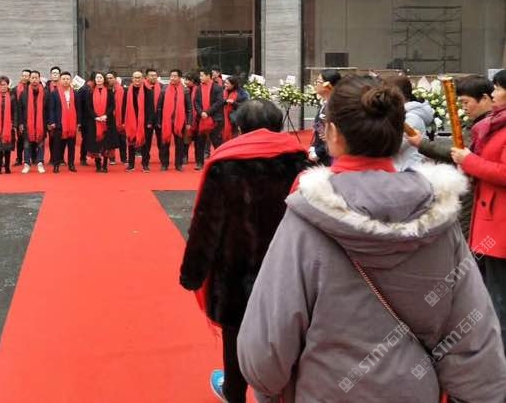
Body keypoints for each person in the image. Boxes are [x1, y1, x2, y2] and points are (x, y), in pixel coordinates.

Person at [237, 76, 506, 401]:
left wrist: (268, 389)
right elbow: (473, 334)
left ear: (332, 133)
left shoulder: (307, 217)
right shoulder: (438, 219)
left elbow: (268, 340)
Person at [180, 99, 308, 403]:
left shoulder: (225, 165)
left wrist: (192, 273)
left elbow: (207, 224)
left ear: (240, 128)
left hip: (236, 275)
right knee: (287, 339)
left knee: (235, 340)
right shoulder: (301, 163)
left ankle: (234, 392)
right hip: (287, 273)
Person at [450, 69, 506, 352]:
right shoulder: (494, 125)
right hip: (490, 219)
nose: (494, 93)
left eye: (498, 88)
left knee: (499, 296)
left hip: (500, 224)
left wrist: (469, 161)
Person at [407, 75, 494, 239]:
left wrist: (422, 143)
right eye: (461, 103)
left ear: (485, 98)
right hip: (471, 190)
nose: (463, 107)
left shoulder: (489, 125)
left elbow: (460, 151)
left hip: (478, 193)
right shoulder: (478, 123)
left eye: (466, 102)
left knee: (471, 238)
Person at [383, 74, 433, 171]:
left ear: (399, 95)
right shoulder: (398, 113)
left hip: (409, 170)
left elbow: (392, 148)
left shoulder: (412, 118)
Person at [83, 72, 118, 173]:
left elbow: (112, 106)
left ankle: (105, 165)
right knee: (96, 144)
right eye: (97, 77)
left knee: (106, 144)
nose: (98, 79)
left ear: (104, 79)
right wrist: (96, 117)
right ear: (94, 80)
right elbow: (88, 107)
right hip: (94, 122)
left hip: (107, 121)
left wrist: (106, 115)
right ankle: (98, 165)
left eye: (100, 77)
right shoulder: (90, 92)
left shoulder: (109, 91)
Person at [158, 69, 193, 171]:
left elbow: (189, 108)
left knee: (180, 144)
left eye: (175, 76)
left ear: (180, 78)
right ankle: (164, 164)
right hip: (166, 121)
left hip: (180, 122)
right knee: (165, 144)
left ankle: (179, 164)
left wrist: (189, 122)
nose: (172, 78)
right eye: (171, 76)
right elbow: (159, 107)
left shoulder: (185, 90)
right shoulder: (164, 89)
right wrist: (159, 121)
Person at [17, 69, 48, 174]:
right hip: (27, 124)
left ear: (39, 79)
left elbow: (48, 109)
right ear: (29, 79)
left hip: (41, 123)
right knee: (26, 145)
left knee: (41, 144)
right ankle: (26, 163)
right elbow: (20, 110)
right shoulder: (24, 93)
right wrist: (20, 123)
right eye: (32, 78)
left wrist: (48, 123)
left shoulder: (45, 93)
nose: (34, 80)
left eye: (36, 78)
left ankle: (40, 163)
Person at [193, 68, 224, 170]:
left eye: (202, 75)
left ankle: (220, 163)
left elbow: (219, 102)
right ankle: (199, 163)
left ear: (208, 76)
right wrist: (201, 112)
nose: (200, 77)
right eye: (200, 76)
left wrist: (207, 112)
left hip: (214, 118)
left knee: (216, 142)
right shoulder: (198, 88)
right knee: (200, 142)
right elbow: (196, 102)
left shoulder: (217, 88)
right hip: (202, 119)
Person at [308, 69, 341, 165]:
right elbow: (320, 129)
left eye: (319, 82)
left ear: (328, 85)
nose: (316, 84)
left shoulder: (335, 106)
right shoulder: (324, 103)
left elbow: (331, 136)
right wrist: (314, 146)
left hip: (330, 157)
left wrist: (318, 153)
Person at [48, 71, 79, 173]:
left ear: (70, 80)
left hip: (72, 124)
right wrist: (52, 121)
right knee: (57, 146)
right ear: (60, 80)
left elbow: (78, 109)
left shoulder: (75, 93)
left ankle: (71, 164)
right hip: (59, 123)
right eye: (64, 79)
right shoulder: (55, 93)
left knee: (71, 146)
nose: (66, 81)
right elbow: (52, 109)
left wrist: (78, 122)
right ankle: (56, 165)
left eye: (67, 79)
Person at [123, 71, 153, 172]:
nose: (137, 79)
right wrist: (123, 121)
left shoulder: (148, 90)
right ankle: (131, 164)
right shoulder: (127, 90)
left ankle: (145, 164)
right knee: (131, 142)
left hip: (144, 121)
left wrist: (150, 121)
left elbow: (151, 107)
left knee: (145, 144)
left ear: (142, 78)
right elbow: (124, 106)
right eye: (135, 77)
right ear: (132, 79)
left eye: (139, 77)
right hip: (131, 120)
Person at [0, 75, 16, 175]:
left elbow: (15, 112)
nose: (3, 87)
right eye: (1, 85)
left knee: (7, 148)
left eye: (4, 85)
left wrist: (14, 123)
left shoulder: (12, 97)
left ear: (8, 85)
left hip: (8, 126)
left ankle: (7, 167)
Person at [106, 71, 127, 164]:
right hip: (109, 118)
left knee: (122, 139)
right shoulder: (105, 90)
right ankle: (111, 158)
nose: (109, 80)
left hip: (120, 118)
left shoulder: (122, 90)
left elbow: (125, 106)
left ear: (115, 78)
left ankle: (124, 158)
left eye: (111, 78)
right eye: (107, 78)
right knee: (110, 139)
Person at [221, 75, 248, 143]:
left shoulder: (241, 94)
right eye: (225, 83)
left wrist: (234, 103)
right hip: (222, 118)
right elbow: (217, 101)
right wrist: (225, 101)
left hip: (234, 119)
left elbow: (244, 105)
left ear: (233, 85)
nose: (225, 85)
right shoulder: (222, 91)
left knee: (234, 137)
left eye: (227, 83)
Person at [144, 68, 162, 167]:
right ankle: (146, 160)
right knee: (147, 141)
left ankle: (163, 160)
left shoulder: (162, 87)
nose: (154, 77)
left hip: (159, 117)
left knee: (161, 141)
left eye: (155, 75)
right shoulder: (143, 88)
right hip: (147, 118)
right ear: (146, 77)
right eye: (151, 75)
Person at [13, 69, 31, 166]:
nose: (24, 78)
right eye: (23, 75)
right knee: (20, 140)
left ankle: (32, 158)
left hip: (30, 117)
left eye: (26, 76)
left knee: (31, 139)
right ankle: (19, 159)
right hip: (18, 116)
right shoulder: (15, 89)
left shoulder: (33, 89)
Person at [76, 76, 94, 166]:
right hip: (86, 119)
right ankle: (83, 158)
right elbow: (79, 106)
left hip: (92, 119)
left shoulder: (95, 89)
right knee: (86, 139)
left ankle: (86, 157)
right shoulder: (84, 89)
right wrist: (79, 121)